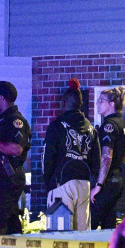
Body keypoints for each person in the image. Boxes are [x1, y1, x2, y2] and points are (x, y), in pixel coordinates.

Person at [42, 78, 100, 231]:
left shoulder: (57, 126)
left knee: (59, 236)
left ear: (65, 103)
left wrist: (49, 184)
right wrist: (91, 182)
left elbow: (47, 159)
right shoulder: (92, 130)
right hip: (84, 185)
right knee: (82, 237)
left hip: (61, 183)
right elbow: (97, 162)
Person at [0, 80, 31, 235]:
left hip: (8, 179)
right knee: (10, 222)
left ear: (2, 98)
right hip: (0, 179)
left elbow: (16, 149)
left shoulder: (16, 121)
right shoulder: (2, 121)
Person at [90, 86, 125, 229]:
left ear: (112, 104)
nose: (97, 103)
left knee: (91, 224)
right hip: (117, 181)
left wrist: (99, 185)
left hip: (106, 183)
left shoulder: (109, 125)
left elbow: (106, 156)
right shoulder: (124, 125)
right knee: (109, 226)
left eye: (101, 101)